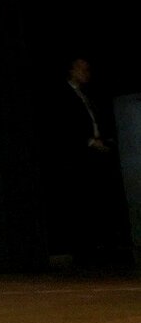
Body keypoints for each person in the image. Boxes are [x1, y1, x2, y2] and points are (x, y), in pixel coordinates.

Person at [42, 54, 131, 268]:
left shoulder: (87, 96)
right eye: (82, 69)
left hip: (95, 155)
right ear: (72, 71)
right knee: (82, 202)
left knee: (101, 201)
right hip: (77, 158)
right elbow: (64, 126)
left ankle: (104, 246)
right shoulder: (62, 95)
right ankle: (85, 251)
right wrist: (90, 141)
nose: (86, 74)